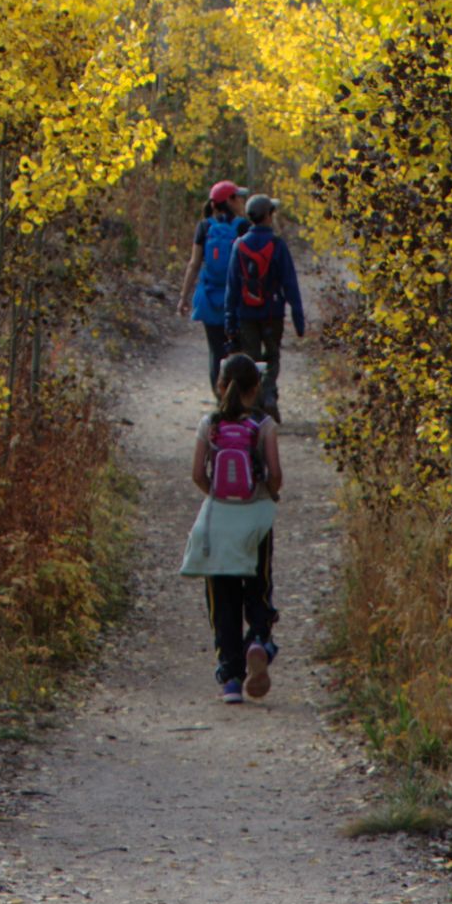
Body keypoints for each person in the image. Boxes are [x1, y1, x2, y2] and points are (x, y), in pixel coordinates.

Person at [179, 352, 281, 703]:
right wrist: (267, 495)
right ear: (257, 388)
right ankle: (258, 641)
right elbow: (275, 475)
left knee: (221, 595)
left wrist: (218, 497)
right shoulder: (263, 426)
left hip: (219, 521)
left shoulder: (209, 424)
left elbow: (196, 474)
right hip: (255, 520)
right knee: (258, 585)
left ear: (220, 386)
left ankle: (231, 678)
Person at [224, 193, 304, 424]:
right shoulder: (277, 245)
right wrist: (298, 319)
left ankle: (255, 405)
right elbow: (290, 283)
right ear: (268, 216)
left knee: (251, 360)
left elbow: (232, 286)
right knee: (272, 358)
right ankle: (268, 393)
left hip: (246, 314)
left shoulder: (239, 245)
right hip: (272, 313)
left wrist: (230, 321)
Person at [177, 181, 248, 393]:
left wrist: (184, 297)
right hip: (237, 299)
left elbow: (194, 263)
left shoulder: (204, 226)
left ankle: (220, 400)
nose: (241, 201)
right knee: (238, 351)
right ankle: (239, 400)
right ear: (229, 201)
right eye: (237, 197)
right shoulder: (242, 227)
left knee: (215, 352)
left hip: (208, 297)